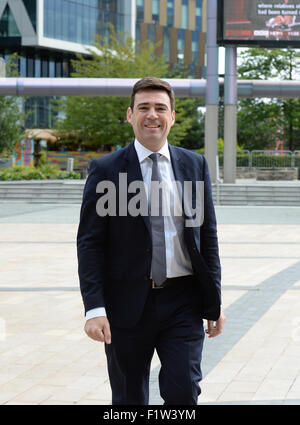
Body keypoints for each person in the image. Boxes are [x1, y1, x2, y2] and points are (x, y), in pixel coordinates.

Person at [77, 76, 225, 405]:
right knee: (129, 398)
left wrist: (214, 301)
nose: (152, 115)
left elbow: (207, 238)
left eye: (160, 108)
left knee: (184, 391)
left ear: (172, 116)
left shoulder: (194, 165)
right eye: (144, 107)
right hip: (125, 304)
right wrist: (94, 308)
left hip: (183, 301)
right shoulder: (106, 170)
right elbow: (90, 244)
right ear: (130, 115)